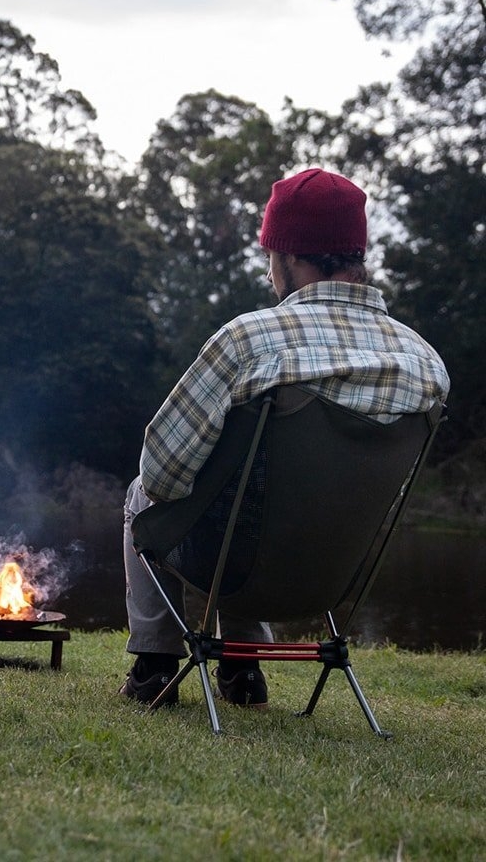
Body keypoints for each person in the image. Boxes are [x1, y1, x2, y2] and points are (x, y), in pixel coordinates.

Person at [120, 168, 450, 708]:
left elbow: (161, 472)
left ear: (291, 255)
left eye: (270, 255)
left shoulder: (250, 341)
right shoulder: (425, 364)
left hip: (236, 568)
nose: (269, 270)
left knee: (145, 494)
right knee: (247, 494)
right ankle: (242, 667)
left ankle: (154, 666)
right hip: (335, 579)